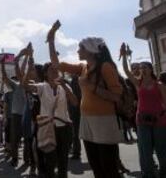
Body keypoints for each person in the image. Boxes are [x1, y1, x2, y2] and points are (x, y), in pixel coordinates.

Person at [47, 20, 123, 178]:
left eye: (81, 47)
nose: (78, 50)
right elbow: (56, 64)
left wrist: (91, 85)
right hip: (86, 120)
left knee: (108, 167)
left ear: (91, 50)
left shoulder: (106, 67)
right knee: (96, 165)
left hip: (104, 120)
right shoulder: (83, 67)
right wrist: (52, 38)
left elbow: (116, 96)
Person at [25, 63, 78, 178]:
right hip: (49, 129)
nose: (55, 72)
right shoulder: (42, 87)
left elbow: (75, 102)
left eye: (56, 69)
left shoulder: (64, 86)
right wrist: (25, 64)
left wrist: (64, 86)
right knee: (50, 162)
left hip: (65, 129)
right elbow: (25, 85)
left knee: (63, 164)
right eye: (51, 70)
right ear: (45, 74)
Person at [122, 45, 166, 178]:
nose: (142, 70)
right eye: (140, 68)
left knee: (161, 149)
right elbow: (126, 71)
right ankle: (148, 173)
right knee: (144, 150)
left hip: (159, 120)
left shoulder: (160, 85)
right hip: (142, 120)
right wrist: (124, 56)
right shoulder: (138, 83)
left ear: (151, 69)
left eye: (144, 67)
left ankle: (164, 172)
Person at [1, 47, 28, 167]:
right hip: (15, 115)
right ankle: (15, 158)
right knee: (14, 138)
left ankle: (28, 161)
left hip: (27, 115)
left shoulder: (30, 86)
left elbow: (21, 70)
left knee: (28, 139)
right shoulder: (16, 86)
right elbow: (5, 78)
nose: (20, 76)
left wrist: (26, 56)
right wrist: (2, 65)